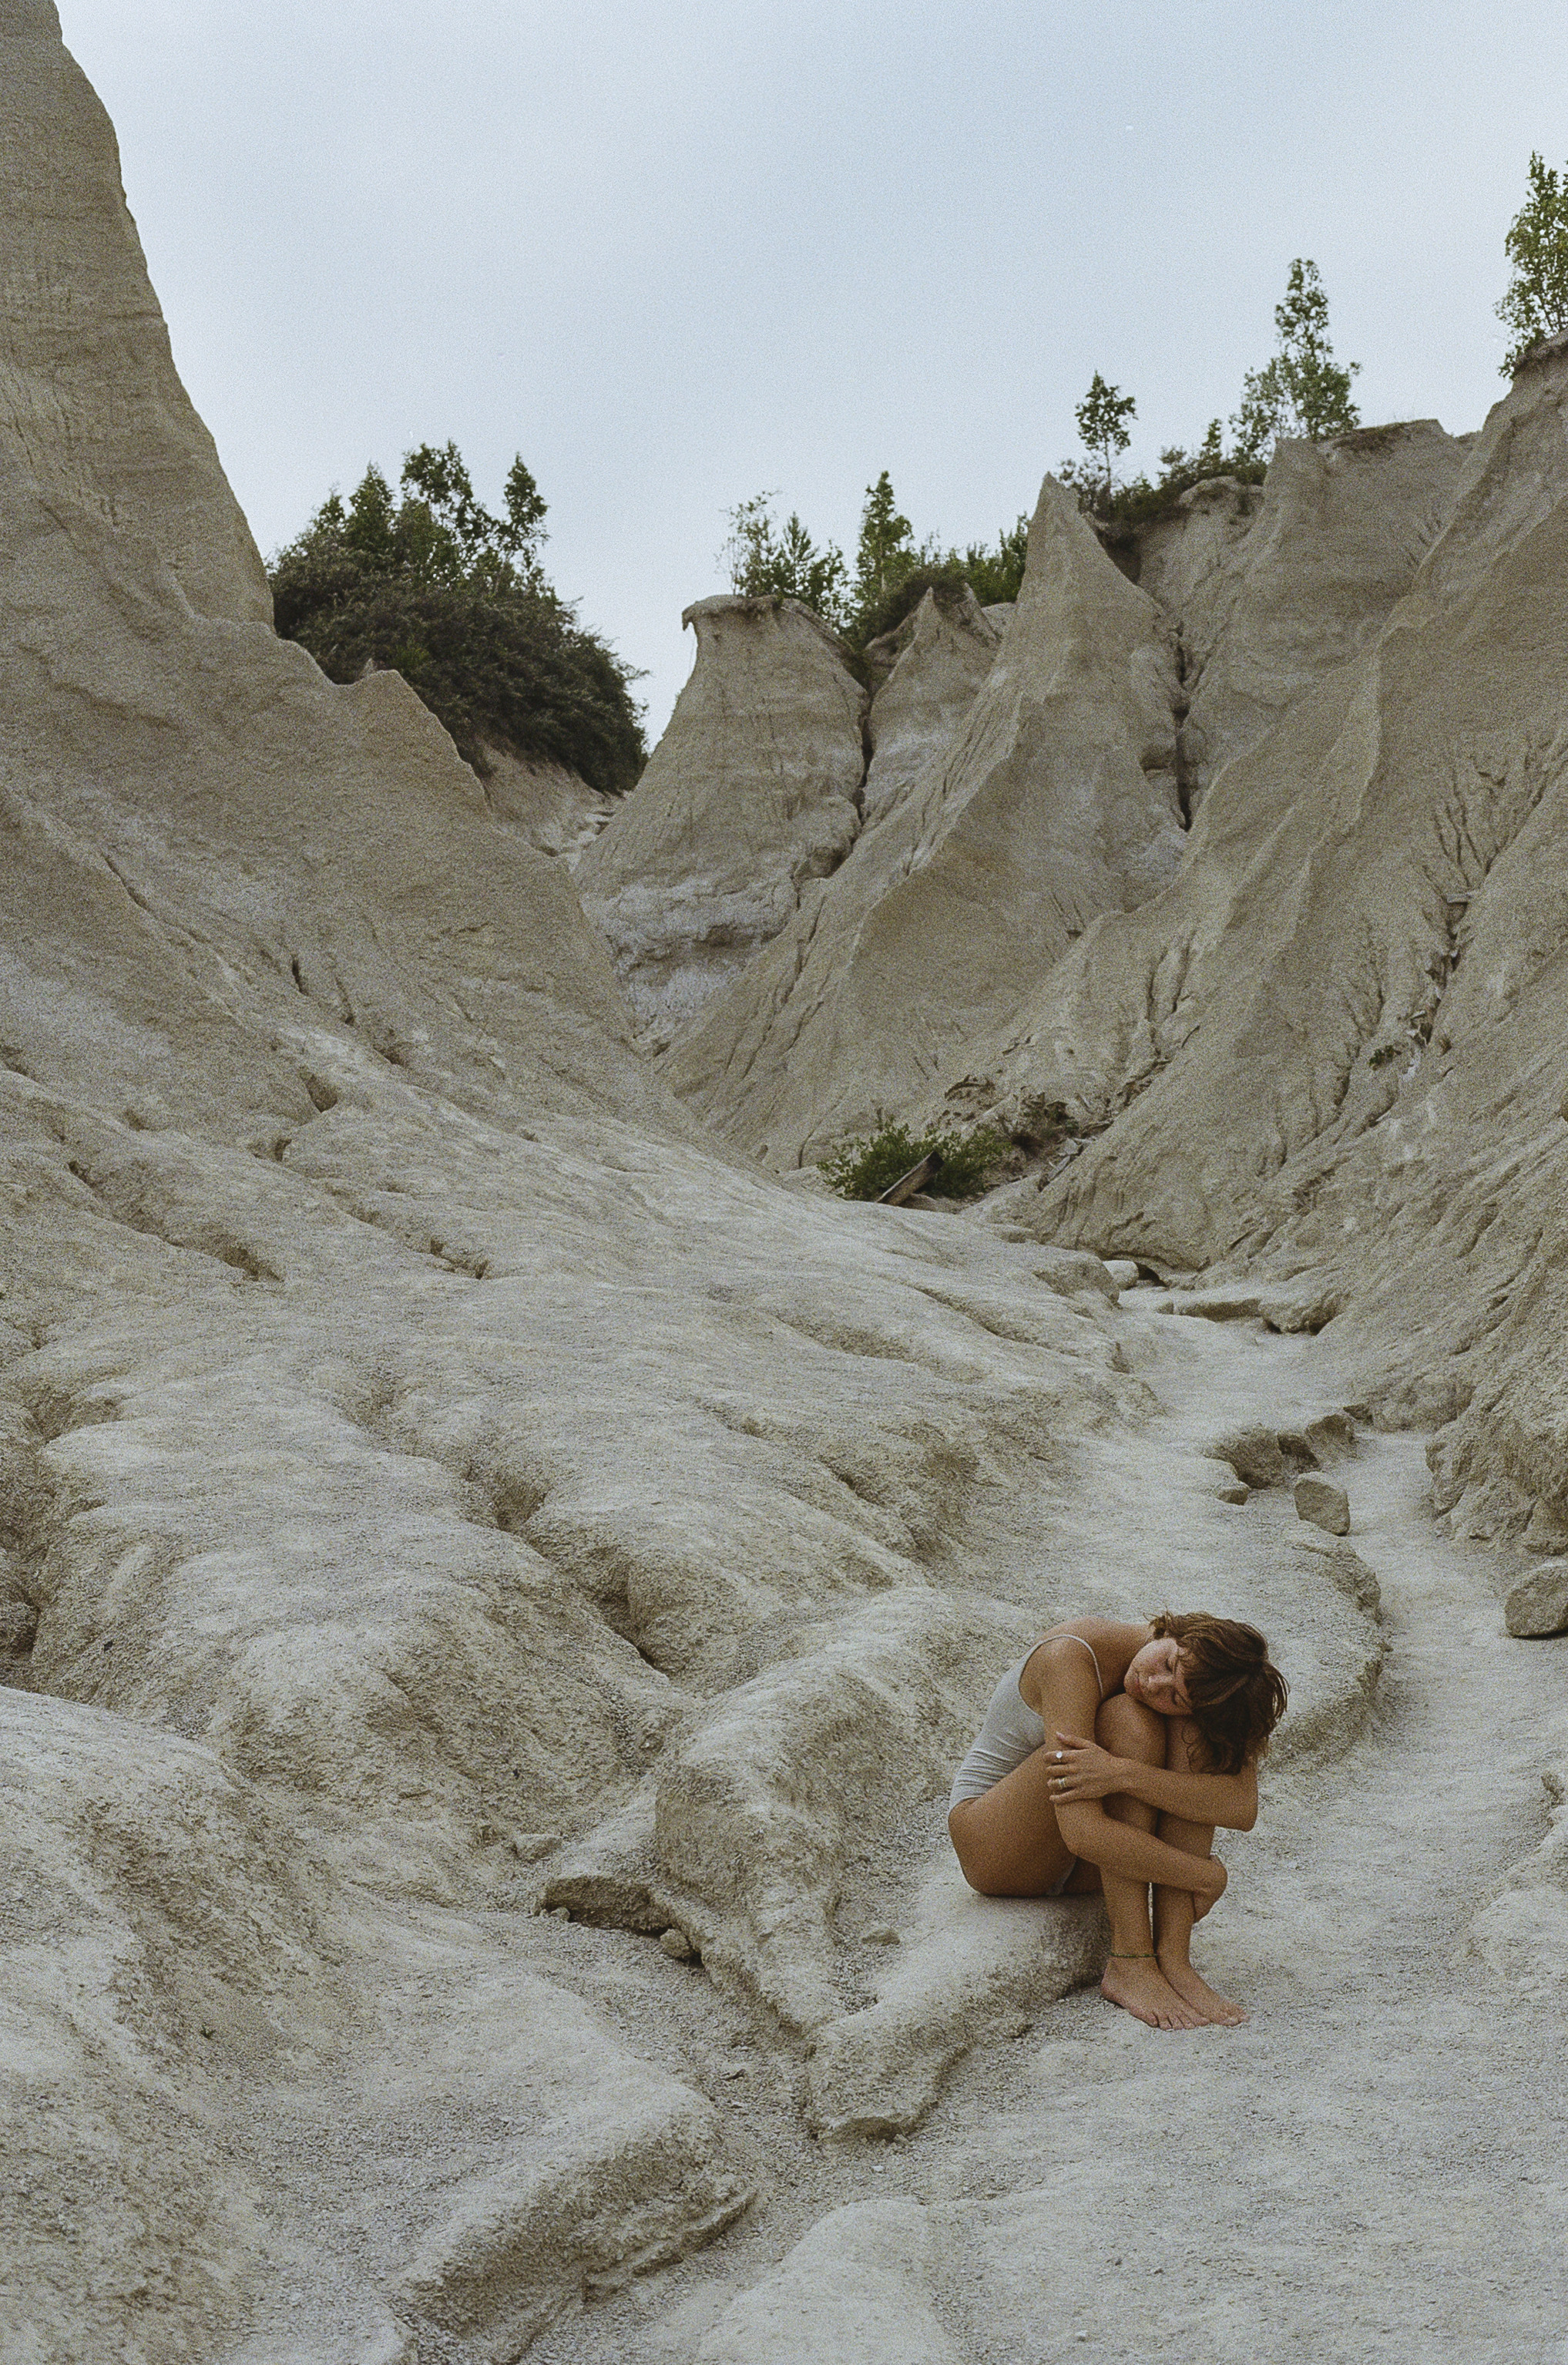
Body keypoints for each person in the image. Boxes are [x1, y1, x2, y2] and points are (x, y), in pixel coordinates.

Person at [947, 1613, 1288, 2030]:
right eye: (1168, 1663)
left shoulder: (1210, 1680)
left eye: (1175, 1696)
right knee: (1129, 1721)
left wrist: (1124, 1775)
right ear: (1173, 1631)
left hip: (1084, 1864)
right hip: (997, 1847)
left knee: (1198, 1738)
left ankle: (1174, 1959)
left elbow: (1239, 1807)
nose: (1154, 1683)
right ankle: (1130, 1960)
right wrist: (1203, 1876)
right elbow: (1083, 1834)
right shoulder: (1070, 1658)